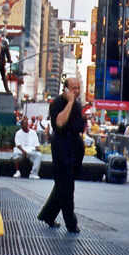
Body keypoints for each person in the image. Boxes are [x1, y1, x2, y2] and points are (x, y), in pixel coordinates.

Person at [37, 77, 86, 234]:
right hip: (61, 149)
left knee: (62, 186)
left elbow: (79, 127)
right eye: (73, 88)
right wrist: (70, 102)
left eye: (78, 88)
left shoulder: (78, 106)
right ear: (65, 89)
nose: (76, 91)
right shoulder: (57, 103)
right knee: (66, 187)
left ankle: (47, 215)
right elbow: (59, 123)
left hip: (75, 150)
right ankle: (71, 224)